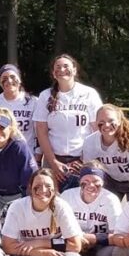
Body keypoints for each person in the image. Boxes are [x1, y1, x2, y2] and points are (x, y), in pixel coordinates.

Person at [34, 54, 103, 190]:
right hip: (53, 159)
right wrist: (53, 162)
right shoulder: (45, 95)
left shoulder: (89, 93)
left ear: (75, 70)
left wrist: (85, 160)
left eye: (66, 66)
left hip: (83, 159)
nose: (62, 69)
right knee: (52, 202)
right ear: (53, 73)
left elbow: (97, 130)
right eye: (58, 67)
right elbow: (41, 131)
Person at [61, 163, 123, 256]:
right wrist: (77, 239)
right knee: (62, 246)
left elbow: (117, 235)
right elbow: (58, 228)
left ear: (103, 182)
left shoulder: (110, 199)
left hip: (101, 246)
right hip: (74, 244)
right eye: (86, 181)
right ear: (79, 180)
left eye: (96, 182)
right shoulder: (67, 196)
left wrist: (91, 238)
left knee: (112, 252)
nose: (91, 185)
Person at [81, 104, 129, 197]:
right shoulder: (89, 141)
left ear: (119, 121)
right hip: (110, 180)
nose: (106, 125)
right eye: (102, 122)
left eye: (111, 121)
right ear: (96, 122)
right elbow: (90, 170)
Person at [0, 64, 37, 156]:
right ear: (0, 82)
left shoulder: (33, 102)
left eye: (13, 77)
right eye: (4, 78)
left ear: (19, 80)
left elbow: (39, 131)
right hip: (3, 155)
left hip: (28, 154)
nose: (9, 80)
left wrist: (38, 154)